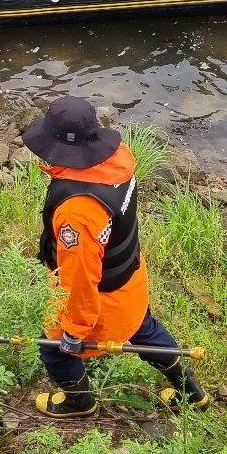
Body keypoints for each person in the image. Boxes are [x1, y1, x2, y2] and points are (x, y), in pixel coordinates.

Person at [21, 96, 209, 417]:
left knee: (54, 351)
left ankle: (79, 402)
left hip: (102, 298)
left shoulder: (76, 213)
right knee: (143, 327)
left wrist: (73, 333)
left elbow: (79, 280)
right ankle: (192, 392)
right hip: (131, 280)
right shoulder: (119, 160)